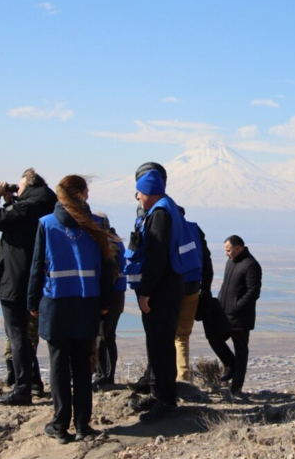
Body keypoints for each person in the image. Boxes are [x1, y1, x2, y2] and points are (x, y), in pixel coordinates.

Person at [27, 175, 115, 444]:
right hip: (87, 304)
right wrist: (104, 304)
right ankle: (83, 425)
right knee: (81, 364)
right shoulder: (95, 225)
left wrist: (32, 303)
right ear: (83, 194)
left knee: (58, 366)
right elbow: (108, 268)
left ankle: (60, 425)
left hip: (56, 305)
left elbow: (37, 267)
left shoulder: (47, 224)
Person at [124, 168, 200, 422]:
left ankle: (165, 400)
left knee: (160, 344)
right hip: (171, 286)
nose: (137, 196)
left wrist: (145, 292)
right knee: (159, 343)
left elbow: (156, 258)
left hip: (162, 290)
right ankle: (158, 393)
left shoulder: (159, 214)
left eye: (140, 191)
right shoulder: (169, 208)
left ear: (149, 192)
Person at [0, 168, 56, 406]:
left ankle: (22, 390)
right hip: (31, 278)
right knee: (22, 335)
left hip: (16, 278)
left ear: (30, 185)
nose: (17, 189)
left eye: (20, 186)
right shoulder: (44, 203)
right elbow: (17, 222)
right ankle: (32, 382)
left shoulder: (29, 206)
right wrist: (11, 200)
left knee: (17, 335)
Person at [210, 235, 262, 397]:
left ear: (238, 248)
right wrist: (218, 303)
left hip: (240, 317)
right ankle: (231, 365)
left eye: (228, 250)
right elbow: (225, 285)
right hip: (224, 314)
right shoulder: (230, 262)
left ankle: (236, 387)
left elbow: (253, 292)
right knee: (214, 338)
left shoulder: (251, 265)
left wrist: (237, 306)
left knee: (241, 351)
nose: (227, 253)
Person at [175, 208, 213, 382]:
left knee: (165, 333)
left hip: (171, 288)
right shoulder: (195, 230)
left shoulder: (168, 229)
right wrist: (204, 288)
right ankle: (183, 377)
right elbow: (206, 260)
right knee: (182, 336)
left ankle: (166, 377)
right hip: (193, 287)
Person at [93, 215, 127, 390]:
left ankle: (104, 376)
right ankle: (106, 375)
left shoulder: (108, 243)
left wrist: (103, 300)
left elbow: (110, 273)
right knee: (108, 336)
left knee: (103, 337)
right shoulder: (115, 240)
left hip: (110, 295)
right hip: (117, 295)